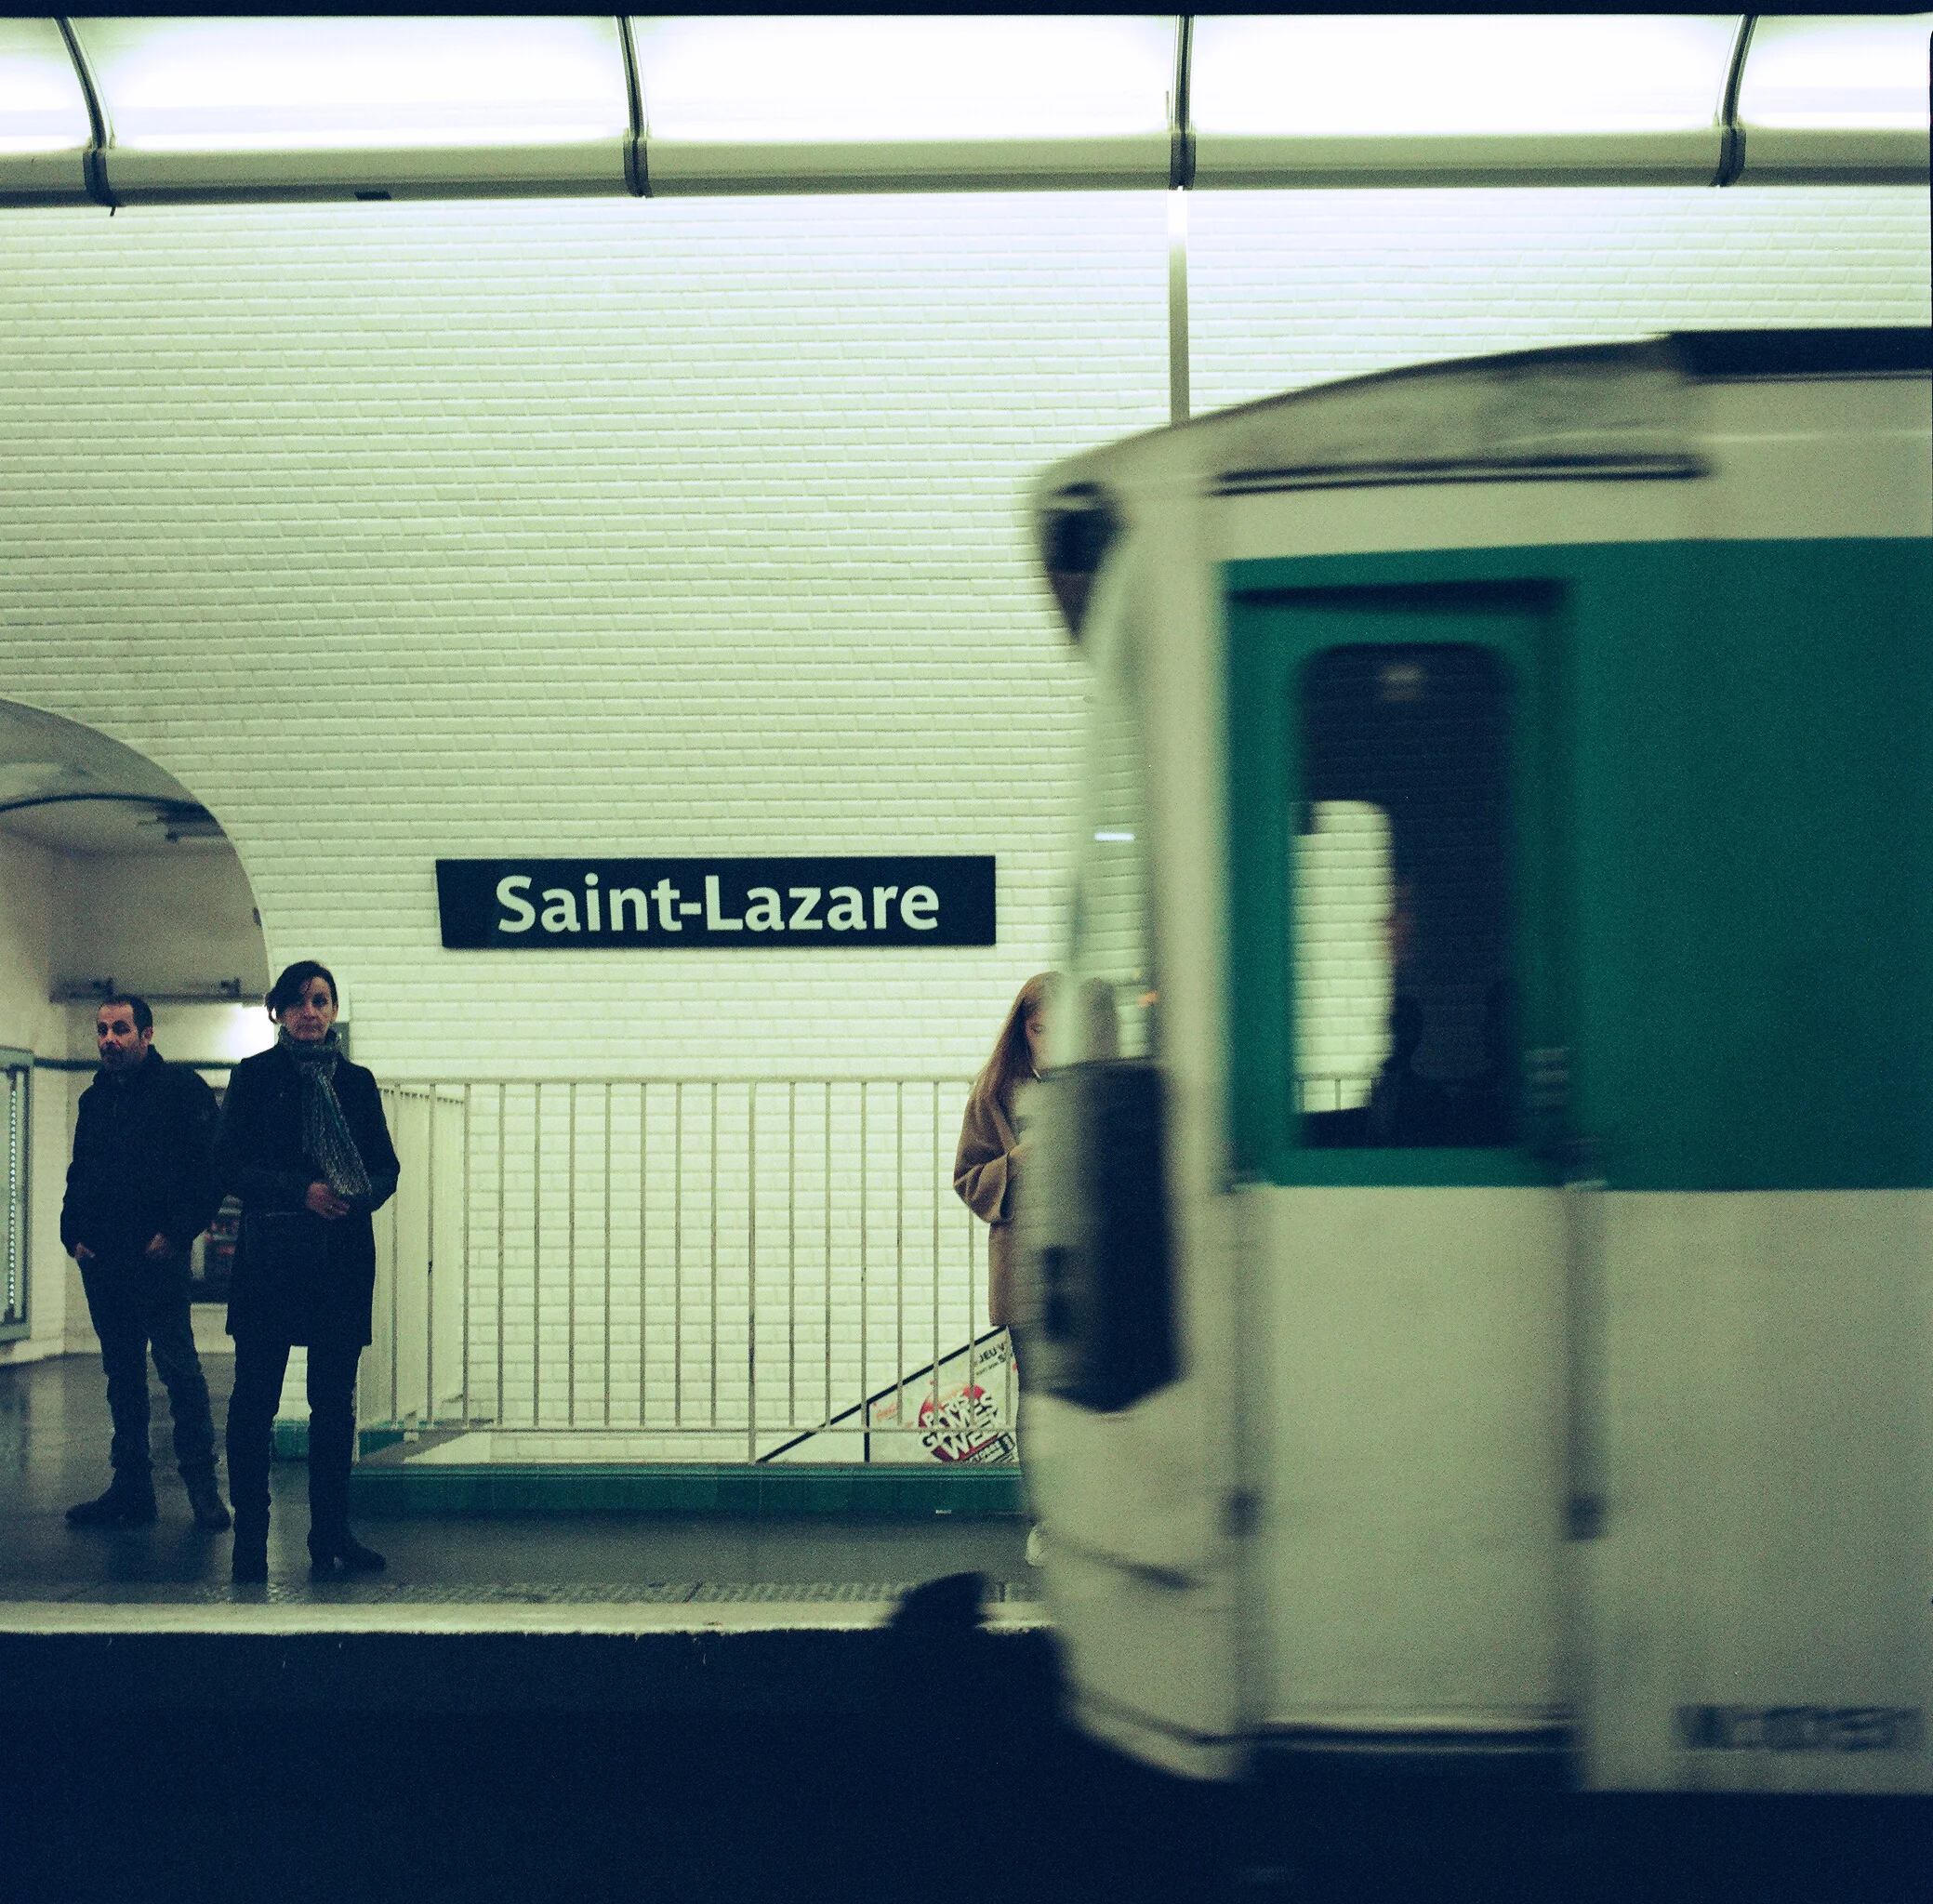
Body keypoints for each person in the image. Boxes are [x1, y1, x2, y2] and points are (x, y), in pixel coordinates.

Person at [216, 960, 399, 1583]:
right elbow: (229, 1167)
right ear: (278, 1012)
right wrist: (303, 1192)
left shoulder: (358, 1082)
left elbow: (386, 1168)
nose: (310, 1011)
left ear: (334, 1009)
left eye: (320, 1000)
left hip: (339, 1262)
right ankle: (250, 1537)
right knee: (254, 1403)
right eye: (297, 1002)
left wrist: (354, 1193)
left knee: (333, 1407)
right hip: (271, 1258)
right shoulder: (254, 1078)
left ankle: (330, 1534)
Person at [61, 995, 230, 1531]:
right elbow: (80, 1172)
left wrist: (177, 1233)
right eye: (102, 1030)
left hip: (156, 1257)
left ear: (147, 1034)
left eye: (121, 1029)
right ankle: (132, 1489)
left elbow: (212, 1169)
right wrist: (74, 1235)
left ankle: (202, 1489)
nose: (109, 1039)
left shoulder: (181, 1090)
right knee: (122, 1372)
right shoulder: (94, 1100)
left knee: (178, 1367)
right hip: (103, 1258)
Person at [954, 972, 1058, 1565]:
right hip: (1026, 1270)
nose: (1048, 1042)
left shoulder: (1100, 1088)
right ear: (1021, 1033)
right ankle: (1048, 1519)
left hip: (1091, 1268)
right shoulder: (993, 1096)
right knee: (1040, 1397)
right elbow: (969, 1181)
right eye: (1037, 1030)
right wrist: (1021, 1160)